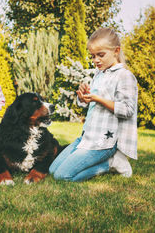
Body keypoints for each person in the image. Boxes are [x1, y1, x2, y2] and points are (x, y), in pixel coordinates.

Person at [49, 27, 138, 181]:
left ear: (116, 51)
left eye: (100, 55)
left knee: (62, 176)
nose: (96, 60)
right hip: (87, 137)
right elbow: (91, 104)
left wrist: (99, 99)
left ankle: (110, 163)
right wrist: (83, 97)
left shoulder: (124, 76)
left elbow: (128, 109)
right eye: (92, 56)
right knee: (52, 170)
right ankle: (106, 162)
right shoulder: (99, 73)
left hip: (104, 142)